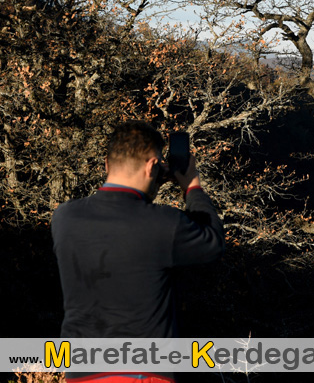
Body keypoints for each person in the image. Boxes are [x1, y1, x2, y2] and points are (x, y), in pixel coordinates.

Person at [52, 121, 225, 382]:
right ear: (152, 166)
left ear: (107, 164)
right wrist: (191, 186)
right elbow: (213, 242)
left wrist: (151, 179)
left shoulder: (64, 218)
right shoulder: (165, 224)